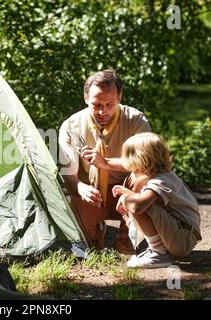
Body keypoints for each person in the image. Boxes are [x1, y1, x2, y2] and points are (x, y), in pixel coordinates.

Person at [58, 68, 151, 254]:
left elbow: (147, 161)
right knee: (82, 245)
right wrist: (80, 188)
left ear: (120, 97)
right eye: (96, 104)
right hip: (91, 193)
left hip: (127, 190)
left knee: (146, 177)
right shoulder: (71, 126)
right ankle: (95, 232)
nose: (103, 111)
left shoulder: (135, 120)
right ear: (86, 98)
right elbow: (68, 174)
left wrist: (106, 163)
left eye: (110, 104)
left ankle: (126, 239)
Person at [111, 132, 202, 268]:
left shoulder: (163, 180)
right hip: (180, 233)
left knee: (137, 204)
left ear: (143, 158)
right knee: (137, 201)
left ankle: (158, 253)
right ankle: (155, 250)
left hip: (183, 238)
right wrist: (129, 194)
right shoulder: (159, 178)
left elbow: (137, 206)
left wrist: (125, 198)